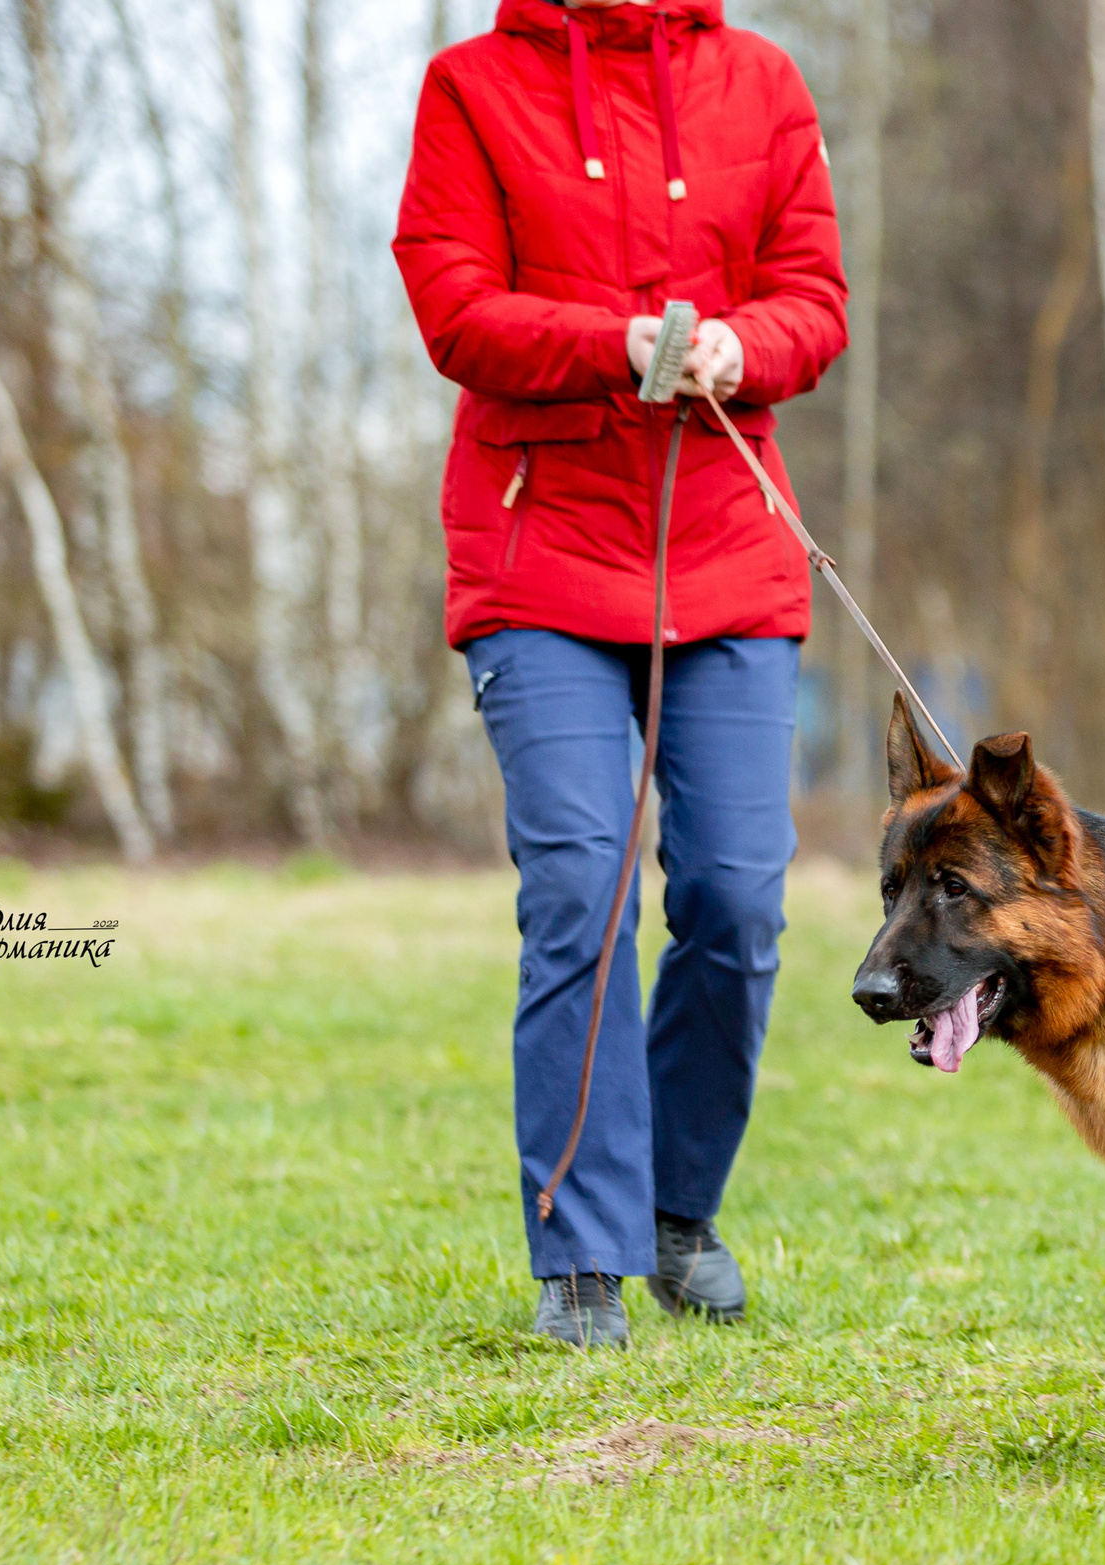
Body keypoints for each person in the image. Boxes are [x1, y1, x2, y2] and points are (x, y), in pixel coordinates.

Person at [394, 0, 848, 1346]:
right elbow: (454, 307)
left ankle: (673, 1206)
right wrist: (616, 343)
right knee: (581, 885)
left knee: (733, 895)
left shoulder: (761, 82)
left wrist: (737, 348)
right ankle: (581, 1254)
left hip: (727, 550)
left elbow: (813, 302)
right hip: (540, 555)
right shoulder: (471, 89)